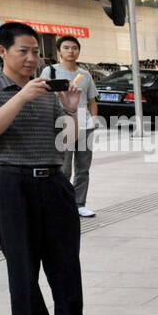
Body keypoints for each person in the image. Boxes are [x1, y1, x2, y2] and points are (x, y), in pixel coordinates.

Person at [0, 22, 95, 315]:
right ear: (2, 51)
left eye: (35, 52)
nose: (31, 58)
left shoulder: (47, 91)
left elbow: (68, 139)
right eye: (22, 51)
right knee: (22, 259)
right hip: (13, 182)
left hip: (54, 180)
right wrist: (22, 96)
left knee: (65, 256)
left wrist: (69, 109)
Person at [40, 35, 99, 218]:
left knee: (83, 167)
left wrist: (94, 120)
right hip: (61, 125)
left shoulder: (85, 74)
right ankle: (61, 203)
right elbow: (40, 97)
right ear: (59, 51)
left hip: (84, 124)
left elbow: (92, 100)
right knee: (63, 168)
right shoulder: (50, 72)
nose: (70, 51)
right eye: (66, 48)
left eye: (74, 48)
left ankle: (79, 203)